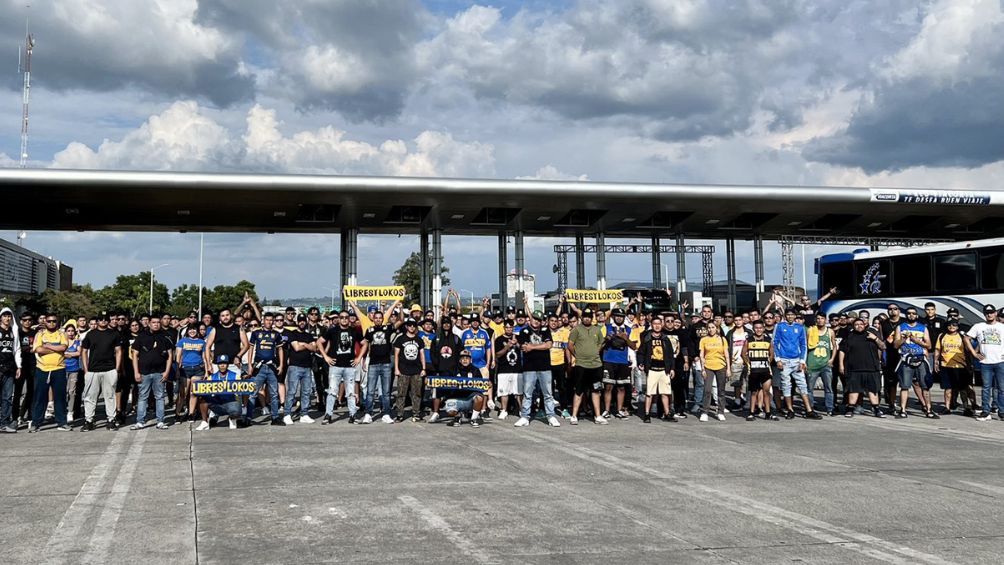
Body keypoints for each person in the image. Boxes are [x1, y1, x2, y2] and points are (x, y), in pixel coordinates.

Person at [773, 308, 822, 420]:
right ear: (785, 316)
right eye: (788, 315)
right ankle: (790, 410)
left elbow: (803, 344)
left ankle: (809, 410)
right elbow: (775, 343)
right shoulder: (780, 326)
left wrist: (802, 361)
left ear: (795, 316)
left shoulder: (799, 327)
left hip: (796, 360)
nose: (790, 317)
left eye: (792, 315)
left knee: (802, 385)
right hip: (784, 360)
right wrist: (778, 359)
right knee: (786, 385)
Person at [318, 310, 364, 425]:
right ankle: (328, 414)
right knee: (332, 391)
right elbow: (319, 342)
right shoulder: (332, 331)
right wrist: (326, 357)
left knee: (350, 392)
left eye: (346, 317)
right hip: (335, 366)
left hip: (349, 366)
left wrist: (358, 358)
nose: (344, 319)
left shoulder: (354, 331)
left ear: (349, 319)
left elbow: (365, 343)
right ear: (338, 319)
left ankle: (353, 414)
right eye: (342, 317)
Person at [515, 311, 560, 428]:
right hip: (529, 367)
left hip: (544, 366)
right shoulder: (524, 331)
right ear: (530, 319)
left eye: (538, 320)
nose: (536, 321)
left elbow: (548, 345)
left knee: (548, 393)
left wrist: (532, 347)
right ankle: (525, 416)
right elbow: (524, 347)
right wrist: (538, 347)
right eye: (534, 319)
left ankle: (551, 415)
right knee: (527, 393)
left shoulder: (545, 330)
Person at [80, 313, 123, 431]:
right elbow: (83, 351)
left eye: (105, 319)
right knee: (90, 396)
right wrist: (86, 369)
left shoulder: (114, 334)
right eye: (100, 319)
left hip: (109, 369)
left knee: (109, 396)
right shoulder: (90, 334)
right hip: (93, 370)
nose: (103, 321)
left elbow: (119, 351)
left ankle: (111, 420)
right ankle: (89, 420)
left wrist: (117, 368)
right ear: (97, 321)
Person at [130, 316, 174, 430]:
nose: (156, 324)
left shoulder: (165, 336)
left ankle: (160, 421)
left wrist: (167, 372)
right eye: (153, 322)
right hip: (144, 372)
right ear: (148, 323)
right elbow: (135, 355)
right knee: (142, 397)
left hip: (159, 372)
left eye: (158, 322)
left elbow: (170, 356)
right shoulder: (141, 336)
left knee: (159, 397)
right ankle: (140, 421)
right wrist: (136, 372)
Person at [839, 318, 887, 418]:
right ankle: (850, 409)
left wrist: (875, 339)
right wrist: (841, 365)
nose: (859, 326)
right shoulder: (849, 337)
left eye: (861, 324)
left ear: (864, 325)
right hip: (854, 369)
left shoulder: (871, 335)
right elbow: (842, 351)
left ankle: (876, 409)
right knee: (854, 390)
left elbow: (883, 347)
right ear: (853, 326)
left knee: (872, 390)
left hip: (871, 368)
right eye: (856, 324)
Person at [893, 307, 936, 419]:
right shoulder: (900, 327)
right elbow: (895, 345)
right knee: (904, 386)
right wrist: (904, 338)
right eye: (908, 313)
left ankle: (929, 409)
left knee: (925, 386)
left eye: (913, 313)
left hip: (920, 359)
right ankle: (902, 410)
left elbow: (929, 345)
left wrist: (915, 340)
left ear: (917, 315)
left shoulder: (923, 328)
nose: (911, 315)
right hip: (905, 359)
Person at [30, 314, 70, 432]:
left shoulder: (62, 334)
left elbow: (63, 347)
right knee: (40, 397)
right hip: (42, 369)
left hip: (59, 369)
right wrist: (55, 348)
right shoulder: (40, 334)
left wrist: (47, 346)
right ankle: (36, 423)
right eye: (49, 321)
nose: (52, 323)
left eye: (54, 321)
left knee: (60, 397)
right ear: (45, 322)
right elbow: (38, 349)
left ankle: (62, 422)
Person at [567, 308, 607, 425]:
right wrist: (576, 354)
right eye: (585, 316)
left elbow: (601, 342)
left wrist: (595, 351)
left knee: (596, 390)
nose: (587, 318)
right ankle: (574, 415)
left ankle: (598, 415)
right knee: (579, 390)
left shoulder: (597, 329)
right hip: (581, 365)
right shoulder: (576, 330)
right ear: (582, 317)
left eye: (589, 316)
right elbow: (570, 344)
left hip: (596, 365)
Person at [966, 304, 1004, 421]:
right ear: (984, 314)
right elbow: (966, 338)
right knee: (986, 388)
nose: (989, 314)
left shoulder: (1002, 327)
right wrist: (973, 353)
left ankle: (1002, 412)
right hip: (985, 362)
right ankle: (985, 411)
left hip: (1000, 361)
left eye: (991, 312)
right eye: (987, 312)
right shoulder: (978, 326)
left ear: (995, 313)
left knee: (1002, 388)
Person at [428, 350, 486, 427]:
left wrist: (488, 384)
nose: (465, 360)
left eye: (467, 358)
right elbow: (442, 382)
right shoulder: (452, 369)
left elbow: (481, 385)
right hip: (455, 398)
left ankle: (474, 418)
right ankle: (457, 416)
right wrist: (429, 381)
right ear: (459, 360)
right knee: (450, 412)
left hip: (469, 399)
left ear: (470, 360)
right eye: (463, 358)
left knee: (479, 397)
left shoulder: (475, 370)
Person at [247, 312, 285, 426]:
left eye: (271, 320)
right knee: (252, 392)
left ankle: (275, 417)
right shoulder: (256, 333)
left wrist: (281, 365)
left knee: (274, 393)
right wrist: (249, 364)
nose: (269, 322)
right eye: (267, 320)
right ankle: (248, 417)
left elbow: (280, 350)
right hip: (259, 367)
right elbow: (251, 348)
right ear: (263, 320)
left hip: (272, 367)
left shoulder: (276, 334)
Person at [637, 315, 676, 423]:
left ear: (661, 325)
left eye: (659, 324)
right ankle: (647, 414)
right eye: (655, 324)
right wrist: (641, 363)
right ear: (651, 325)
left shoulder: (665, 338)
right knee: (650, 393)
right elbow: (641, 352)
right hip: (652, 369)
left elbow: (670, 355)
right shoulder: (647, 338)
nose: (657, 326)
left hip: (664, 370)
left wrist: (672, 368)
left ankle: (667, 413)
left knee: (665, 393)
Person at [193, 354, 246, 431]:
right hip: (217, 404)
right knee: (203, 397)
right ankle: (205, 422)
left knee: (237, 407)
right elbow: (204, 390)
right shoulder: (211, 377)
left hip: (230, 403)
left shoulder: (235, 376)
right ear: (217, 365)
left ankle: (232, 418)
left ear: (228, 365)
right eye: (220, 364)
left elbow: (244, 390)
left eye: (224, 363)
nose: (222, 366)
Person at [362, 308, 397, 424]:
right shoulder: (369, 330)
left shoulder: (388, 328)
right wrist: (363, 360)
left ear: (383, 319)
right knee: (370, 391)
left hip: (386, 363)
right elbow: (365, 345)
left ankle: (386, 414)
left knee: (386, 392)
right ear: (373, 319)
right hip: (373, 364)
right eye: (376, 318)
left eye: (380, 318)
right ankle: (368, 414)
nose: (378, 320)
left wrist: (399, 308)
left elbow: (400, 321)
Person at [935, 319, 975, 417]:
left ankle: (967, 407)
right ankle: (947, 407)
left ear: (958, 326)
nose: (952, 327)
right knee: (947, 388)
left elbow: (969, 349)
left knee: (963, 388)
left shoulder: (962, 337)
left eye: (954, 325)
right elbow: (938, 350)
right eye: (949, 325)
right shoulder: (942, 336)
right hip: (946, 365)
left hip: (960, 366)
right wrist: (936, 362)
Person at [601, 308, 635, 420]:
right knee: (608, 386)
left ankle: (620, 410)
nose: (619, 317)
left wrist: (626, 339)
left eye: (621, 316)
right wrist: (607, 339)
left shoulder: (629, 329)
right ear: (613, 317)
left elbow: (634, 346)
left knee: (621, 387)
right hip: (609, 360)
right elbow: (600, 345)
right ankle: (606, 410)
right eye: (617, 315)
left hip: (623, 361)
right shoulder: (606, 327)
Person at [283, 314, 317, 425]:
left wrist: (304, 344)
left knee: (306, 392)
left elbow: (314, 348)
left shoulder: (309, 335)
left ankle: (304, 414)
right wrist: (307, 346)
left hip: (307, 367)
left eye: (303, 321)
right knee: (292, 391)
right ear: (297, 322)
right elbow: (296, 348)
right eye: (300, 320)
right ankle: (287, 414)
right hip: (294, 366)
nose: (302, 322)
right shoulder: (292, 334)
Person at [742, 320, 777, 421]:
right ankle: (751, 412)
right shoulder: (749, 340)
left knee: (766, 392)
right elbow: (743, 353)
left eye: (760, 328)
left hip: (765, 371)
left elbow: (771, 353)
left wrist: (767, 363)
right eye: (756, 328)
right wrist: (749, 363)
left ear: (763, 328)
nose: (758, 330)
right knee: (754, 392)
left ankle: (768, 413)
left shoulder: (768, 340)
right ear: (753, 329)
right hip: (753, 371)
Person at [393, 318, 426, 422]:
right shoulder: (400, 339)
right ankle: (399, 414)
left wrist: (423, 368)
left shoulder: (419, 340)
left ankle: (416, 414)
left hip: (416, 370)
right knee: (401, 394)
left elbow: (422, 355)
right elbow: (396, 355)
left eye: (413, 325)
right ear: (406, 326)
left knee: (417, 394)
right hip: (403, 370)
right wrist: (396, 369)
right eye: (410, 325)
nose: (412, 327)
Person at [806, 313, 837, 416]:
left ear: (825, 320)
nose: (820, 320)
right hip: (812, 364)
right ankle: (810, 408)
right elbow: (805, 346)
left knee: (828, 388)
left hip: (825, 364)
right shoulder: (810, 330)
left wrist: (832, 359)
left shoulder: (830, 331)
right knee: (809, 389)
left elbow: (835, 346)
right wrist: (805, 362)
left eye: (822, 318)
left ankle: (829, 409)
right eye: (818, 318)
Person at [175, 324, 207, 423]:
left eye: (194, 329)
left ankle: (191, 414)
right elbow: (178, 356)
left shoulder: (202, 342)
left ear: (197, 331)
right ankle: (177, 413)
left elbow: (205, 357)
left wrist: (206, 371)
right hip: (185, 369)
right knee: (182, 394)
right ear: (187, 331)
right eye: (190, 329)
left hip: (198, 369)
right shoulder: (182, 341)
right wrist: (177, 370)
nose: (192, 331)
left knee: (194, 393)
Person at [699, 322, 730, 422]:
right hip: (708, 366)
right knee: (707, 390)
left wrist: (728, 369)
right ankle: (705, 412)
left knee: (721, 390)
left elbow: (726, 354)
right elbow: (701, 355)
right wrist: (703, 369)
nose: (711, 329)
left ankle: (720, 411)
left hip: (721, 366)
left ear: (717, 329)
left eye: (713, 327)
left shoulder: (722, 339)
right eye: (709, 327)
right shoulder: (703, 340)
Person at [493, 320, 522, 420]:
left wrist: (517, 343)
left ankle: (521, 410)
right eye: (507, 327)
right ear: (504, 328)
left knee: (519, 392)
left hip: (517, 370)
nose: (509, 329)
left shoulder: (518, 337)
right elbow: (497, 354)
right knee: (503, 392)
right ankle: (503, 410)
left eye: (511, 327)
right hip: (504, 369)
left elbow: (523, 349)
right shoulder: (499, 339)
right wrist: (506, 347)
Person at [0, 307, 22, 433]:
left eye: (9, 316)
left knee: (7, 397)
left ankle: (4, 423)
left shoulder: (14, 331)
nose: (7, 318)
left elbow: (17, 349)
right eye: (4, 316)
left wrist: (19, 366)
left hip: (10, 368)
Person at [63, 325, 82, 423]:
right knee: (63, 391)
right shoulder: (63, 342)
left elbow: (79, 353)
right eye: (68, 331)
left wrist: (68, 354)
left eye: (72, 331)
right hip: (63, 369)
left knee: (72, 391)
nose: (70, 333)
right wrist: (68, 354)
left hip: (74, 369)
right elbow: (60, 352)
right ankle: (63, 410)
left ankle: (70, 411)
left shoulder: (77, 342)